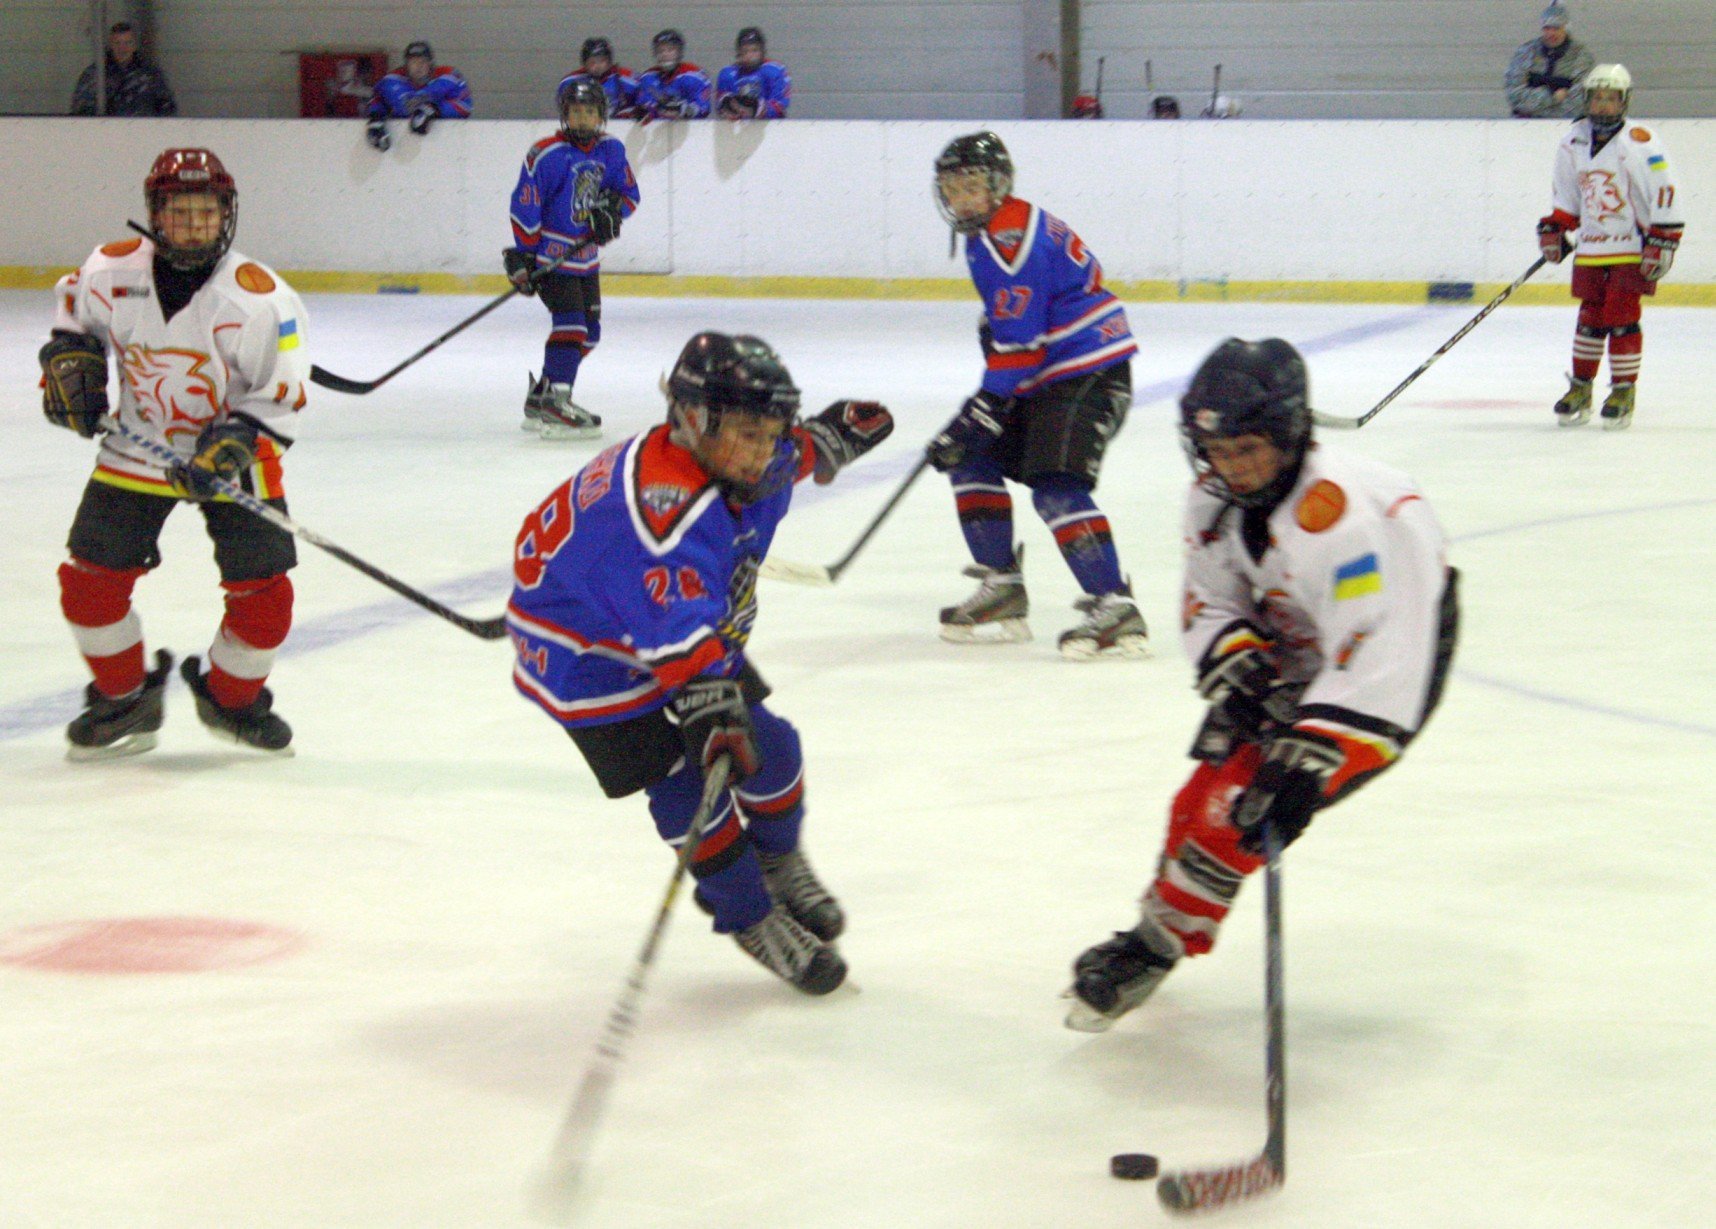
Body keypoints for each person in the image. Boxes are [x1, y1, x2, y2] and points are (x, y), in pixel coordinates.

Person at [1064, 338, 1459, 1032]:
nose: (1233, 466)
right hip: (1296, 646)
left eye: (1248, 448)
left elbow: (1383, 642)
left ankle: (1156, 947)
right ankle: (1161, 926)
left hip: (1387, 668)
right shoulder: (1212, 499)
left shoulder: (1351, 517)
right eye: (1217, 450)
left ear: (1289, 433)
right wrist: (1239, 657)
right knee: (1197, 801)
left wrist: (1310, 754)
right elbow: (1211, 596)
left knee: (1236, 810)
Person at [504, 333, 895, 992]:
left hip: (652, 616)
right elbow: (678, 634)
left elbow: (787, 453)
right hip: (588, 659)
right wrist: (710, 707)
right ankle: (748, 913)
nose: (763, 449)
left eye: (772, 431)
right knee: (688, 787)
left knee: (773, 748)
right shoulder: (664, 519)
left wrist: (827, 441)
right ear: (691, 419)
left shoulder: (737, 459)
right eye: (748, 433)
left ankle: (778, 861)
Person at [40, 148, 308, 760]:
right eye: (179, 212)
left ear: (226, 215)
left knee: (266, 597)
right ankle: (124, 699)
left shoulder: (260, 297)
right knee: (89, 585)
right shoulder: (110, 270)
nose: (192, 225)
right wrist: (71, 361)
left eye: (205, 213)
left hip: (239, 456)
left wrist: (234, 441)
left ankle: (232, 700)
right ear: (155, 214)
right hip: (139, 447)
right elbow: (74, 316)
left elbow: (282, 392)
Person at [927, 131, 1147, 658]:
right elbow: (1016, 333)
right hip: (1052, 369)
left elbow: (1022, 346)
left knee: (1055, 486)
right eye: (952, 188)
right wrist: (981, 413)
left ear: (998, 185)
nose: (961, 199)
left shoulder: (1007, 242)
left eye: (971, 186)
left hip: (1088, 371)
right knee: (970, 456)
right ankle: (1002, 584)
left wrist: (986, 404)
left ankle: (1114, 604)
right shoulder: (994, 229)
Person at [1537, 63, 1684, 429]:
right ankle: (1581, 388)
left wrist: (1665, 237)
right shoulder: (1573, 139)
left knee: (1621, 318)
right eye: (1597, 97)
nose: (1603, 105)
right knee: (1589, 319)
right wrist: (1556, 226)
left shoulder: (1640, 140)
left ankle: (1622, 391)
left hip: (1632, 245)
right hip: (1591, 246)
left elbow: (1664, 189)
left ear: (1624, 101)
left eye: (1611, 98)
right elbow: (1568, 194)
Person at [505, 78, 640, 439]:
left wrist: (611, 211)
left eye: (590, 111)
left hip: (586, 259)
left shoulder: (611, 150)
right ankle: (557, 404)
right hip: (551, 256)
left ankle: (543, 394)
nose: (582, 118)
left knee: (590, 334)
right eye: (576, 111)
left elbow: (629, 194)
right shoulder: (546, 154)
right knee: (572, 326)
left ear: (601, 116)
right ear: (565, 115)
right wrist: (524, 255)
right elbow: (525, 205)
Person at [365, 41, 473, 152]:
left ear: (431, 63)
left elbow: (465, 106)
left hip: (443, 145)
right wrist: (376, 118)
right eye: (413, 62)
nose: (418, 66)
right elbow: (377, 99)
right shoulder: (391, 81)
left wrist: (435, 109)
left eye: (423, 61)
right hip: (402, 147)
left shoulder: (448, 77)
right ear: (406, 65)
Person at [1505, 3, 1594, 120]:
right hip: (1525, 124)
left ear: (1566, 28)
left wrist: (1536, 105)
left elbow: (1581, 101)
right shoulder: (1525, 53)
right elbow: (1514, 96)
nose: (1551, 33)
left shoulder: (1581, 56)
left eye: (1556, 28)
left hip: (1565, 124)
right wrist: (1552, 97)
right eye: (1547, 28)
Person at [70, 22, 176, 117]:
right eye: (117, 43)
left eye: (128, 43)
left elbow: (167, 107)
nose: (123, 48)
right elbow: (80, 110)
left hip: (142, 130)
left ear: (135, 45)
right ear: (110, 45)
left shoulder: (150, 74)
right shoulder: (95, 74)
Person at [634, 29, 711, 121]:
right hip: (658, 128)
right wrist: (649, 110)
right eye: (660, 51)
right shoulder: (648, 78)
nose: (665, 54)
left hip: (688, 128)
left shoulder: (694, 76)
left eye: (670, 50)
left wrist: (683, 109)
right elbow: (643, 108)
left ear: (679, 52)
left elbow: (703, 108)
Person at [715, 27, 790, 119]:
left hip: (769, 126)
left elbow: (780, 106)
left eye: (754, 50)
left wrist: (758, 108)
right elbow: (720, 105)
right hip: (737, 126)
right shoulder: (728, 74)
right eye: (745, 51)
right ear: (738, 52)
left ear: (762, 51)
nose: (750, 56)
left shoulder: (774, 71)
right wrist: (728, 109)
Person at [557, 37, 640, 121]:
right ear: (584, 63)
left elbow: (641, 101)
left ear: (609, 61)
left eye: (602, 61)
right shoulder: (570, 82)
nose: (598, 66)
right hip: (586, 125)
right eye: (592, 62)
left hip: (620, 125)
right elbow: (565, 108)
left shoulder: (625, 78)